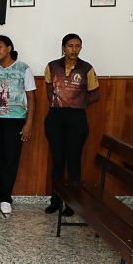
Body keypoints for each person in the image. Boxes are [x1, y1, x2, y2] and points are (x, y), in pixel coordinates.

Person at [0, 35, 36, 214]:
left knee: (10, 159)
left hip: (15, 120)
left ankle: (6, 198)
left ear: (9, 48)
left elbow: (32, 98)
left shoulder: (23, 69)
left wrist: (29, 124)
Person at [42, 34, 99, 215]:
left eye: (78, 46)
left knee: (73, 161)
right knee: (57, 161)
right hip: (56, 117)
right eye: (70, 46)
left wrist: (78, 102)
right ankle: (55, 201)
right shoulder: (52, 66)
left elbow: (95, 95)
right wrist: (60, 103)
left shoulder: (87, 68)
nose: (74, 49)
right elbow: (49, 91)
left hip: (77, 118)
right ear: (63, 47)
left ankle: (72, 204)